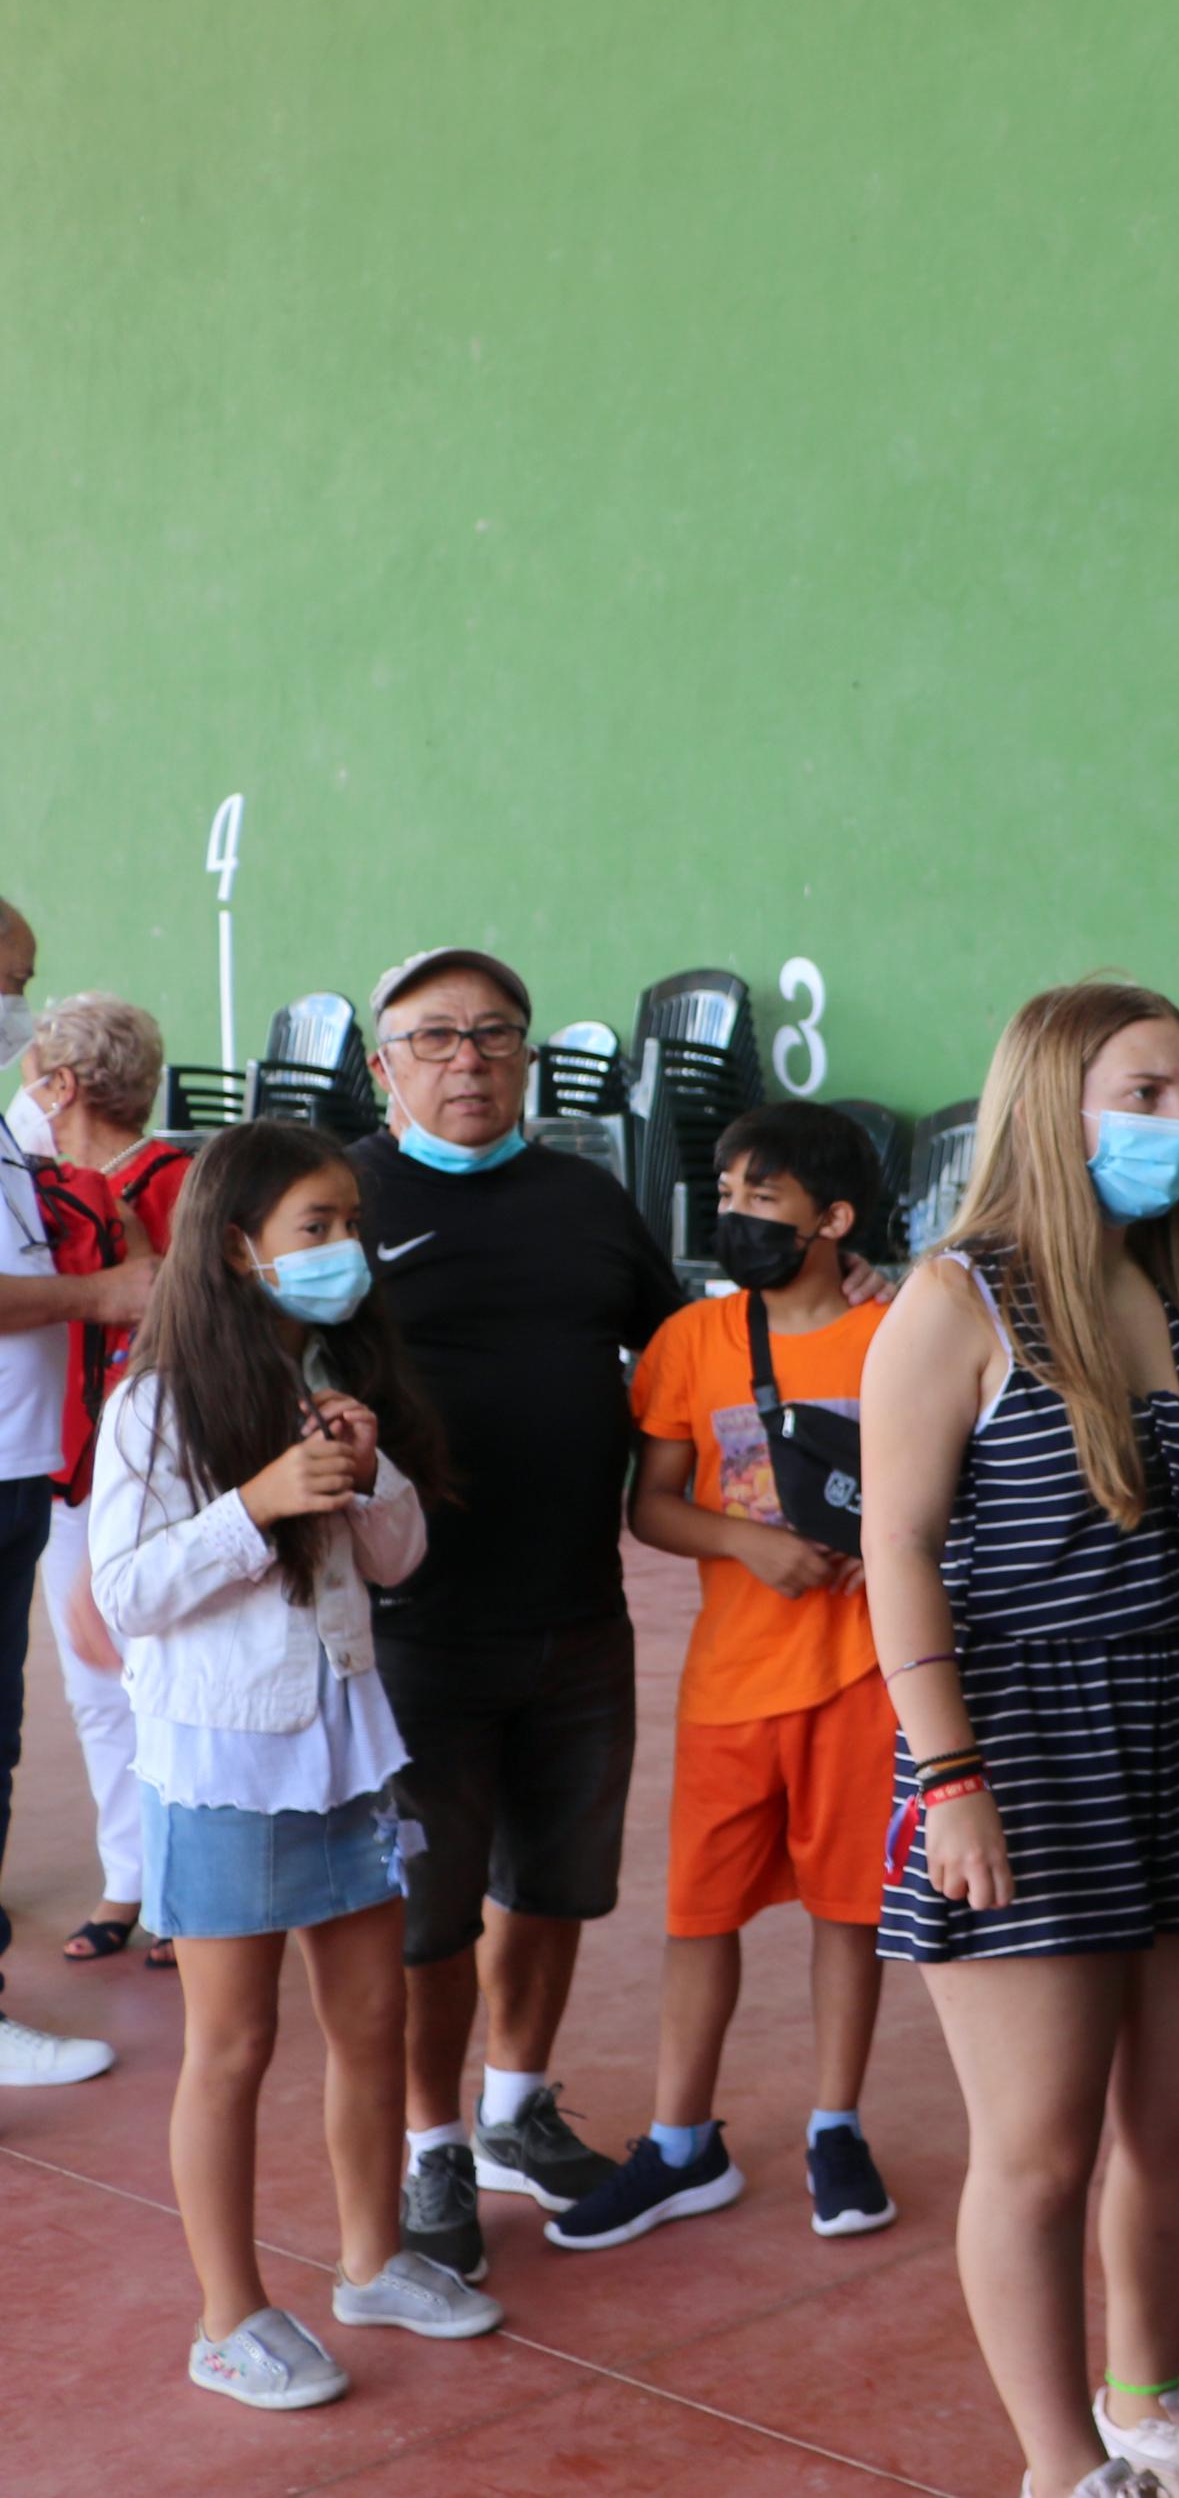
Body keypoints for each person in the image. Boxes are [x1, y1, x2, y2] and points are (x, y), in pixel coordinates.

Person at [863, 979, 1179, 2498]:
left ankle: (1144, 2404)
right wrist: (950, 1775)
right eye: (1145, 1092)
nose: (1176, 1125)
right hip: (1015, 1740)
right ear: (1053, 1102)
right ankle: (1063, 2468)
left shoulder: (1167, 1290)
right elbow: (899, 1549)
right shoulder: (954, 1300)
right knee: (1040, 2146)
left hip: (1166, 1738)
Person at [91, 1119, 508, 2403]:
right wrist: (254, 1503)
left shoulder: (318, 1377)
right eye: (314, 1229)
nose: (345, 1252)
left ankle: (372, 2258)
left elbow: (394, 1565)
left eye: (350, 1227)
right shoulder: (155, 1405)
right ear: (235, 1249)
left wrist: (370, 1470)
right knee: (232, 2043)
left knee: (372, 2018)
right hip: (227, 1762)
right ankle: (228, 2317)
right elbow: (126, 1593)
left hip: (344, 1749)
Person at [351, 947, 684, 2275]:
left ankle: (513, 2107)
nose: (467, 1058)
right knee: (431, 1914)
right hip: (415, 1630)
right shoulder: (346, 1200)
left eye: (492, 1033)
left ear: (527, 1054)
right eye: (433, 1037)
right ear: (385, 1067)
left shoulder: (587, 1197)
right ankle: (434, 2139)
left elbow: (679, 1353)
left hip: (578, 1615)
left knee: (554, 1886)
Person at [560, 1103, 902, 2250]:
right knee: (700, 1917)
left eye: (764, 1198)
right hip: (731, 1685)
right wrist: (749, 1542)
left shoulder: (894, 1332)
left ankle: (835, 2124)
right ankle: (677, 2139)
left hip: (865, 1680)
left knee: (851, 1912)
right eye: (728, 1194)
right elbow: (649, 1504)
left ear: (835, 1220)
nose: (735, 1216)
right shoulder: (691, 1343)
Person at [0, 898, 150, 2085]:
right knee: (70, 1691)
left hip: (78, 1465)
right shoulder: (27, 1140)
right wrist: (100, 1297)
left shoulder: (148, 1176)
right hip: (37, 1466)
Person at [24, 993, 189, 1968]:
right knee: (94, 1687)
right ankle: (126, 1873)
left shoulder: (173, 1184)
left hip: (154, 1475)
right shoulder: (40, 1187)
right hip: (66, 1468)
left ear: (65, 1082)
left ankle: (177, 1887)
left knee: (160, 1680)